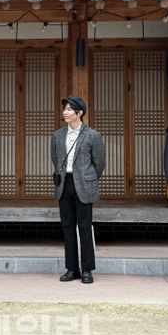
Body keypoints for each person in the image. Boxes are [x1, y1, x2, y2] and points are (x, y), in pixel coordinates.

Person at [51, 96, 106, 284]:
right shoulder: (57, 135)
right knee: (67, 227)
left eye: (69, 109)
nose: (65, 112)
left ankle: (87, 269)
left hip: (84, 184)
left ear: (79, 113)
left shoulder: (92, 135)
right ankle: (71, 268)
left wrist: (88, 178)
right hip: (64, 183)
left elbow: (99, 163)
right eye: (65, 109)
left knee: (84, 227)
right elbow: (55, 160)